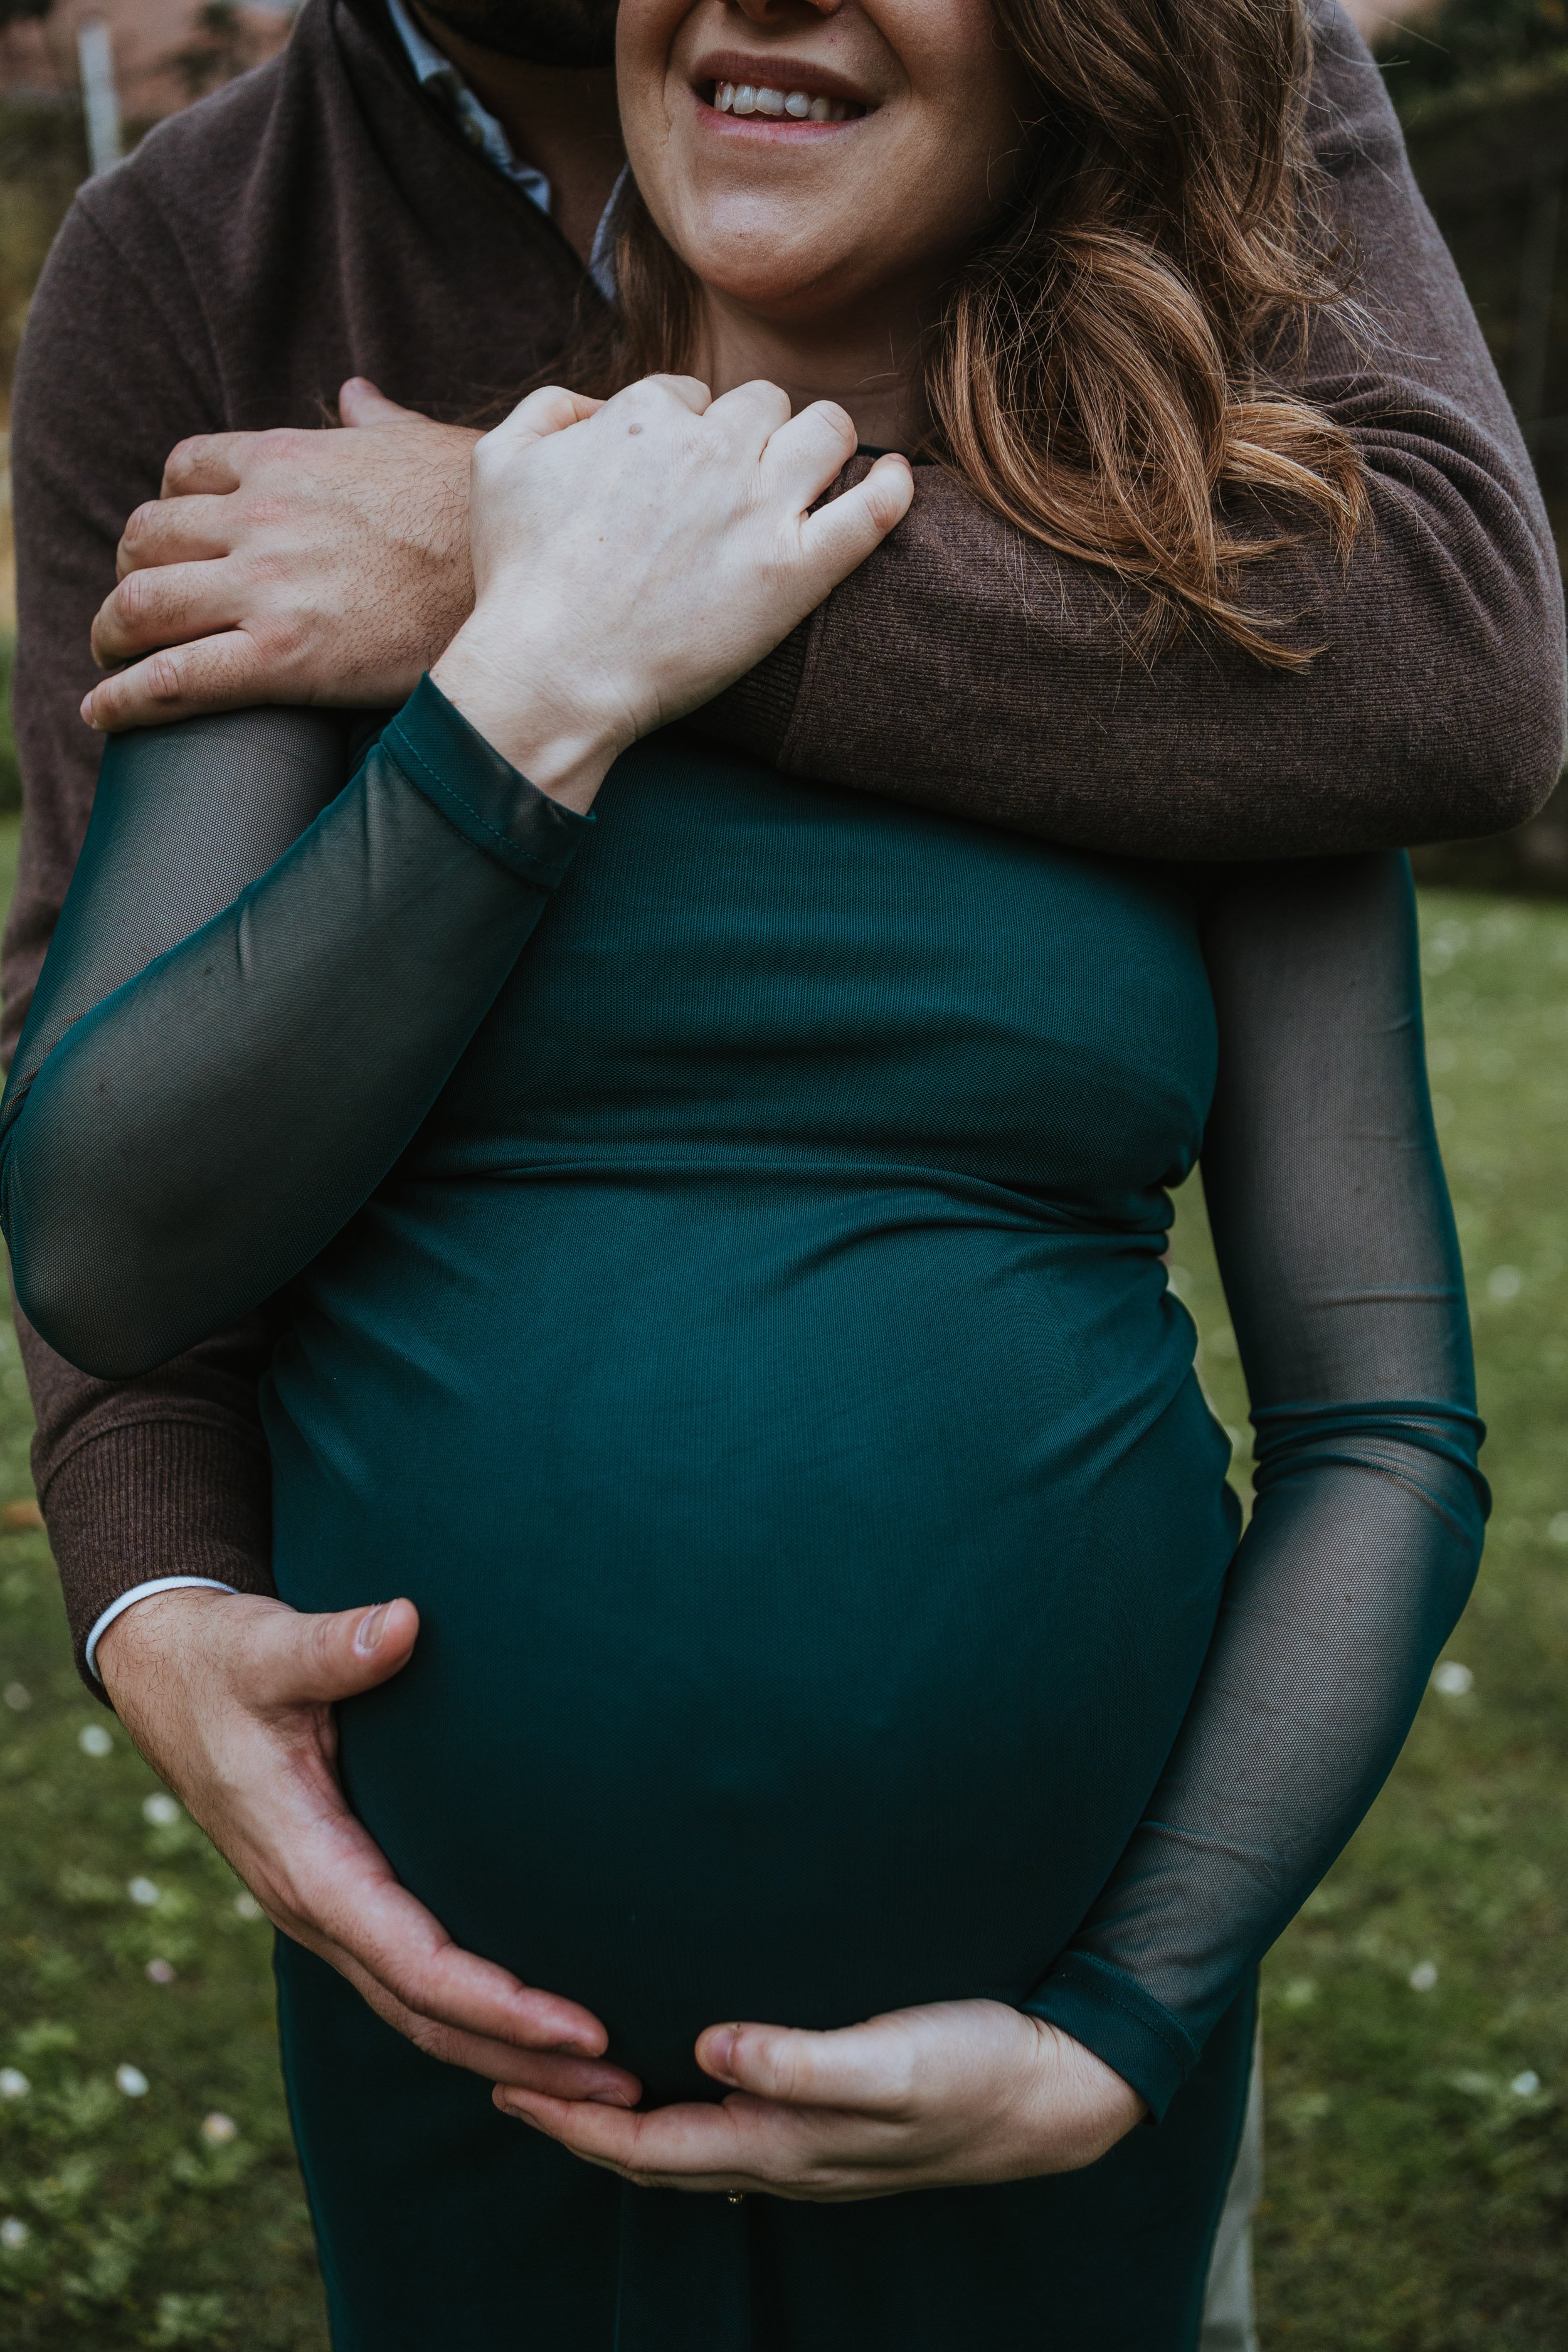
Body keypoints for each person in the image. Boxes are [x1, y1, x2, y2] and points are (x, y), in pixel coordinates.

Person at [0, 0, 1507, 2341]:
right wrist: (542, 677)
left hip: (1025, 2102)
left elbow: (1383, 1420)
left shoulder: (1219, 633)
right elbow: (106, 1237)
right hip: (468, 2082)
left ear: (1060, 63)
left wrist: (1124, 2021)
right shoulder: (329, 526)